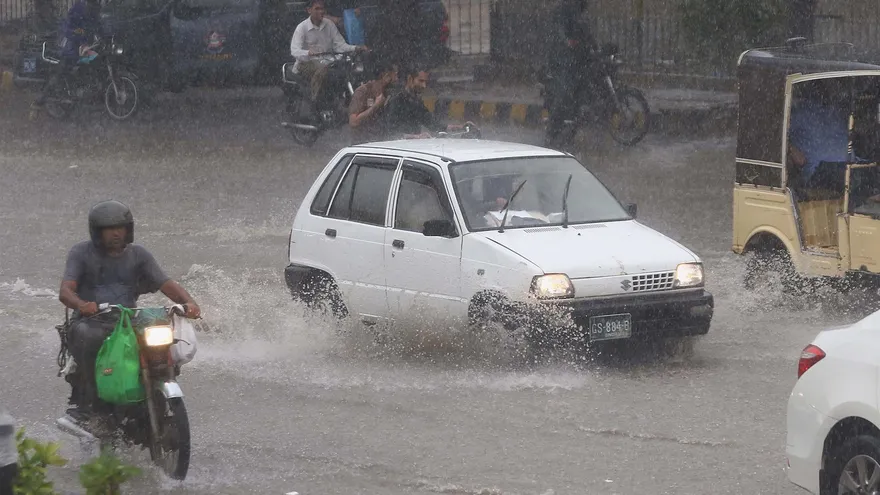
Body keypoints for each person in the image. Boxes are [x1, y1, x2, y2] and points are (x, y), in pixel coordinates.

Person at [59, 200, 201, 422]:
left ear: (129, 229)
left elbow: (165, 283)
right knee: (90, 337)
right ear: (97, 232)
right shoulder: (80, 253)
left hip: (127, 319)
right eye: (109, 229)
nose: (116, 233)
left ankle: (157, 389)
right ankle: (91, 406)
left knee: (160, 336)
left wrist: (188, 303)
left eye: (120, 228)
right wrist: (81, 305)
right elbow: (66, 291)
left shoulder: (139, 255)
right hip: (92, 321)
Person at [289, 0, 367, 106]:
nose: (321, 11)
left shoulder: (329, 24)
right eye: (317, 8)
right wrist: (308, 53)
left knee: (348, 69)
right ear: (309, 10)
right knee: (323, 70)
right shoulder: (301, 28)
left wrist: (356, 48)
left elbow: (340, 45)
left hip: (328, 61)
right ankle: (316, 101)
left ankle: (345, 98)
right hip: (306, 63)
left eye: (322, 9)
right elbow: (294, 51)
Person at [544, 0, 596, 149]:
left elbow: (586, 32)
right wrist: (568, 41)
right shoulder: (563, 10)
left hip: (580, 58)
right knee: (565, 93)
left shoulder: (580, 11)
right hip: (563, 60)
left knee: (583, 89)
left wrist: (595, 47)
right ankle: (552, 131)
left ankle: (573, 124)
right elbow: (560, 30)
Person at [33, 0, 104, 108]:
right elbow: (71, 28)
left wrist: (103, 36)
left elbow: (98, 26)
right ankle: (45, 95)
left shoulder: (94, 8)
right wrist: (82, 37)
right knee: (67, 64)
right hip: (70, 44)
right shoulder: (80, 7)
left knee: (93, 60)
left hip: (84, 45)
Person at [379, 67, 469, 139]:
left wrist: (455, 128)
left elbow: (430, 122)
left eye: (425, 82)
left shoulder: (415, 100)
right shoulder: (396, 99)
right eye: (421, 81)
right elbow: (390, 132)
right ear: (410, 79)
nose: (424, 86)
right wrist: (414, 137)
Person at [348, 61, 398, 144]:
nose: (397, 79)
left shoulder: (388, 94)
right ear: (386, 76)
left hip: (381, 143)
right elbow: (353, 122)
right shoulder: (363, 91)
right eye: (395, 75)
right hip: (363, 145)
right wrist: (375, 106)